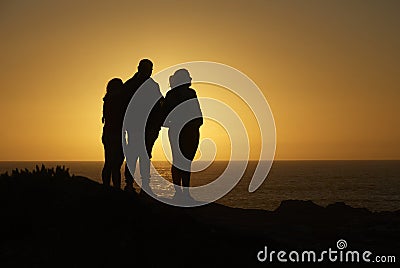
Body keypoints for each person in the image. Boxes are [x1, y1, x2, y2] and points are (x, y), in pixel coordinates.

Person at [123, 59, 164, 193]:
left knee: (141, 156)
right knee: (137, 156)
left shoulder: (136, 84)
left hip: (145, 127)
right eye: (148, 69)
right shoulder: (136, 85)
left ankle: (142, 185)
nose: (150, 71)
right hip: (138, 127)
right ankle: (133, 184)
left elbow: (159, 104)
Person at [163, 69, 203, 199]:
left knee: (183, 162)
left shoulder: (187, 93)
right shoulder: (176, 94)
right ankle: (181, 193)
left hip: (188, 130)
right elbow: (165, 116)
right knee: (181, 162)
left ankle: (183, 193)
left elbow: (198, 113)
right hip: (186, 131)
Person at [101, 78, 125, 188]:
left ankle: (108, 186)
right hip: (115, 135)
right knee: (115, 165)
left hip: (108, 134)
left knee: (109, 163)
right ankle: (116, 188)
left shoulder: (108, 100)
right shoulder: (117, 100)